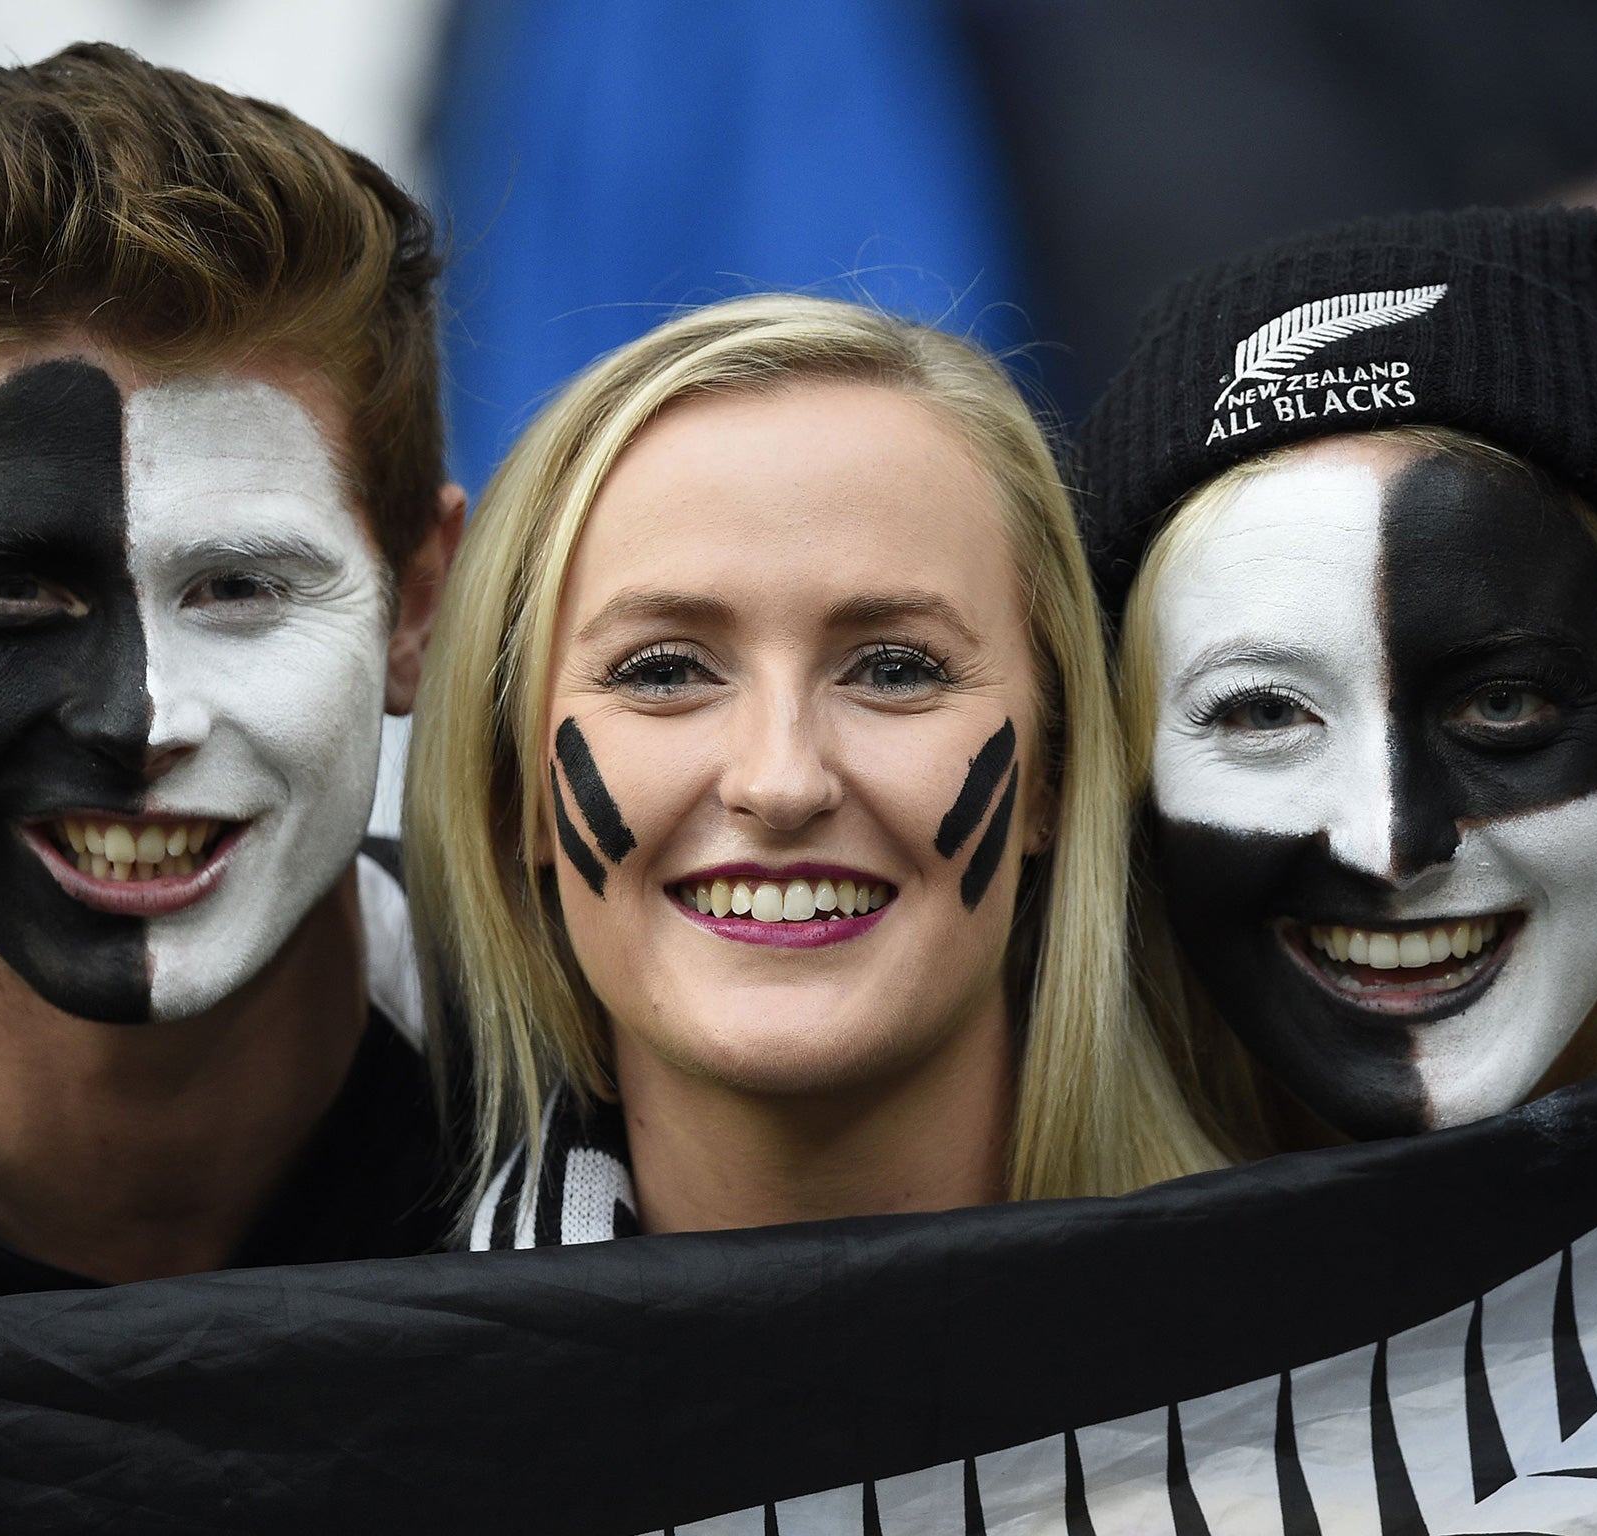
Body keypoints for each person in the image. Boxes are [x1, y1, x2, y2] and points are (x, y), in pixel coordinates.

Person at [0, 44, 462, 1312]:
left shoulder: (639, 1104)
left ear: (415, 602)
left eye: (240, 588)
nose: (140, 718)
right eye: (14, 596)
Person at [404, 293, 1217, 1246]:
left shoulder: (1331, 1338)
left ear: (1054, 769)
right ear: (519, 795)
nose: (782, 782)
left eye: (895, 670)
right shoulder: (382, 1388)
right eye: (664, 672)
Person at [1072, 205, 1597, 1159]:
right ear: (1123, 790)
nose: (1390, 845)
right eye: (1265, 712)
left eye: (1501, 705)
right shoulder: (999, 1231)